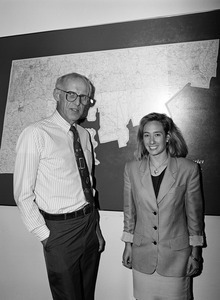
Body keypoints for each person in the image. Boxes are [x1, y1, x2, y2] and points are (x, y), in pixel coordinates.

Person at [14, 72, 105, 300]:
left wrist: (95, 227)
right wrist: (46, 236)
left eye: (84, 97)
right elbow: (22, 194)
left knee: (86, 294)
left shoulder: (83, 134)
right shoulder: (35, 133)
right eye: (71, 95)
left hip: (88, 225)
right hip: (59, 233)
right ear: (57, 94)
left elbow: (88, 185)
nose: (78, 102)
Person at [122, 112, 204, 300]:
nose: (151, 141)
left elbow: (195, 217)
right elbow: (129, 213)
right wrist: (128, 245)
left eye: (157, 134)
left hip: (176, 257)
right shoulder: (131, 169)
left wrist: (196, 253)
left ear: (167, 137)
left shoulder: (188, 169)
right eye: (146, 135)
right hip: (142, 255)